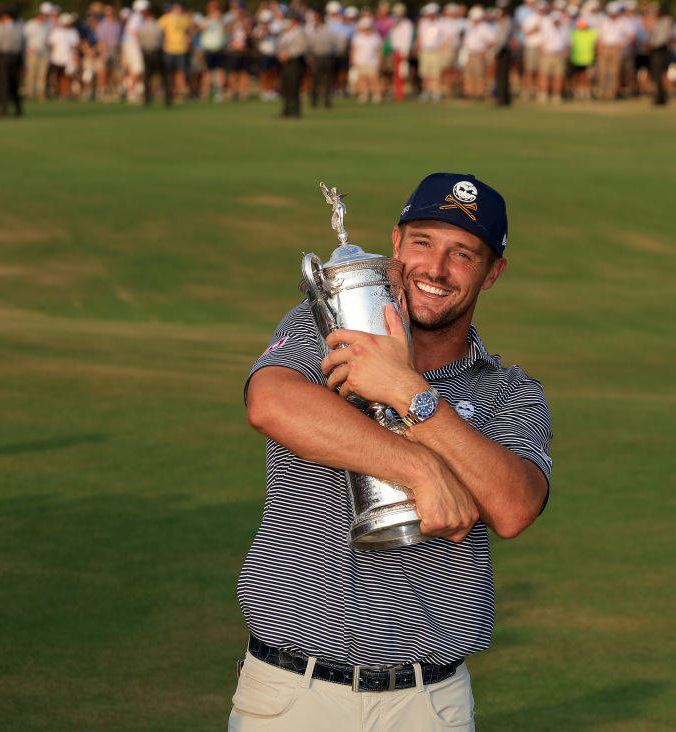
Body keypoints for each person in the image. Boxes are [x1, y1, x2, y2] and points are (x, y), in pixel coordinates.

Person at [236, 172, 551, 731]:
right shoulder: (327, 326)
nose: (436, 268)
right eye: (424, 243)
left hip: (428, 704)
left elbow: (515, 505)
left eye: (463, 254)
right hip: (293, 695)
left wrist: (409, 392)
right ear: (396, 245)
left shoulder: (510, 390)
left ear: (492, 272)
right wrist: (419, 466)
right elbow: (270, 402)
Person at [0, 7, 25, 116]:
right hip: (16, 59)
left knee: (3, 84)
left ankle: (4, 109)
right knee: (14, 84)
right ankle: (18, 109)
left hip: (3, 58)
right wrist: (23, 63)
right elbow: (22, 48)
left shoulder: (0, 29)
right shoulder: (18, 29)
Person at [138, 3, 171, 105]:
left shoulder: (142, 27)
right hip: (157, 53)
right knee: (163, 77)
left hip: (146, 53)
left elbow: (141, 40)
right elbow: (162, 39)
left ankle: (146, 99)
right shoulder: (158, 26)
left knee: (147, 77)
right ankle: (166, 99)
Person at [277, 11, 307, 116]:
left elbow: (301, 48)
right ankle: (286, 109)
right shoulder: (286, 33)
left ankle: (295, 110)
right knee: (286, 86)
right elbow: (280, 44)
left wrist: (288, 54)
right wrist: (281, 54)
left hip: (295, 62)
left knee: (294, 86)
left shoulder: (300, 32)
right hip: (286, 63)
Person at [644, 1, 673, 105]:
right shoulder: (660, 21)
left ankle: (661, 97)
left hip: (660, 50)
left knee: (659, 74)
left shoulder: (666, 21)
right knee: (656, 75)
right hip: (656, 50)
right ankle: (660, 96)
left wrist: (651, 45)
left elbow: (661, 39)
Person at [23, 3, 52, 100]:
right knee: (31, 73)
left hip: (44, 52)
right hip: (33, 52)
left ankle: (40, 93)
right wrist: (28, 48)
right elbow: (25, 38)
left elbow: (49, 38)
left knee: (42, 74)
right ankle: (30, 93)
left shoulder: (46, 25)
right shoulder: (30, 24)